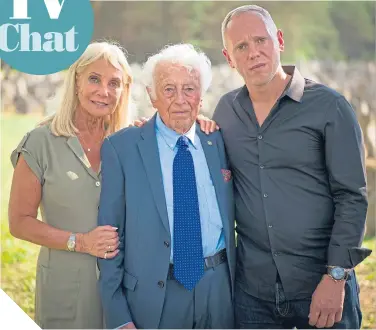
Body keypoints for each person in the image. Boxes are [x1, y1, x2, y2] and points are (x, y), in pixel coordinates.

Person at [210, 5, 371, 329]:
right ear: (229, 58)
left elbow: (352, 197)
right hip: (254, 294)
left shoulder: (330, 107)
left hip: (322, 285)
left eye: (261, 40)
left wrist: (336, 276)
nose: (253, 52)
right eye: (242, 46)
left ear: (279, 40)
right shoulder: (226, 112)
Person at [97, 43, 236, 329]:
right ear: (152, 95)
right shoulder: (121, 148)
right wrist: (118, 317)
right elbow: (109, 240)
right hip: (155, 298)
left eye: (190, 88)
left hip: (220, 290)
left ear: (202, 94)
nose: (181, 99)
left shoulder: (220, 141)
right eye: (169, 89)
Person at [8, 41, 133, 329]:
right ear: (76, 81)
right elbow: (19, 222)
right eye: (94, 79)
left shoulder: (129, 143)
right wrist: (81, 242)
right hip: (64, 289)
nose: (104, 91)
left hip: (123, 294)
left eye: (114, 83)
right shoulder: (40, 142)